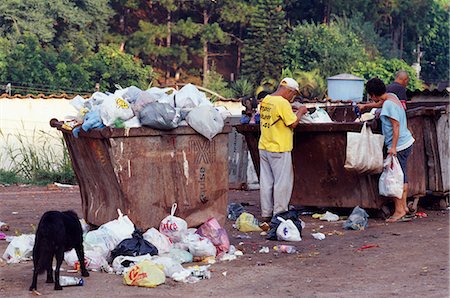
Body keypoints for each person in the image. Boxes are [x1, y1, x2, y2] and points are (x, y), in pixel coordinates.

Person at [364, 78, 415, 223]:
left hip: (398, 145)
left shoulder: (388, 105)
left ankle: (399, 210)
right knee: (401, 175)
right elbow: (381, 103)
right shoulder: (392, 97)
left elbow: (395, 126)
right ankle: (403, 208)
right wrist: (365, 106)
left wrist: (392, 147)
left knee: (396, 178)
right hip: (405, 142)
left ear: (373, 94)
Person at [258, 78, 308, 221]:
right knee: (282, 182)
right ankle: (279, 213)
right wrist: (301, 111)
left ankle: (266, 213)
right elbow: (293, 123)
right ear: (289, 91)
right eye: (293, 94)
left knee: (266, 182)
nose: (292, 97)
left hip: (264, 145)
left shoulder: (266, 100)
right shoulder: (282, 102)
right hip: (279, 147)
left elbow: (276, 115)